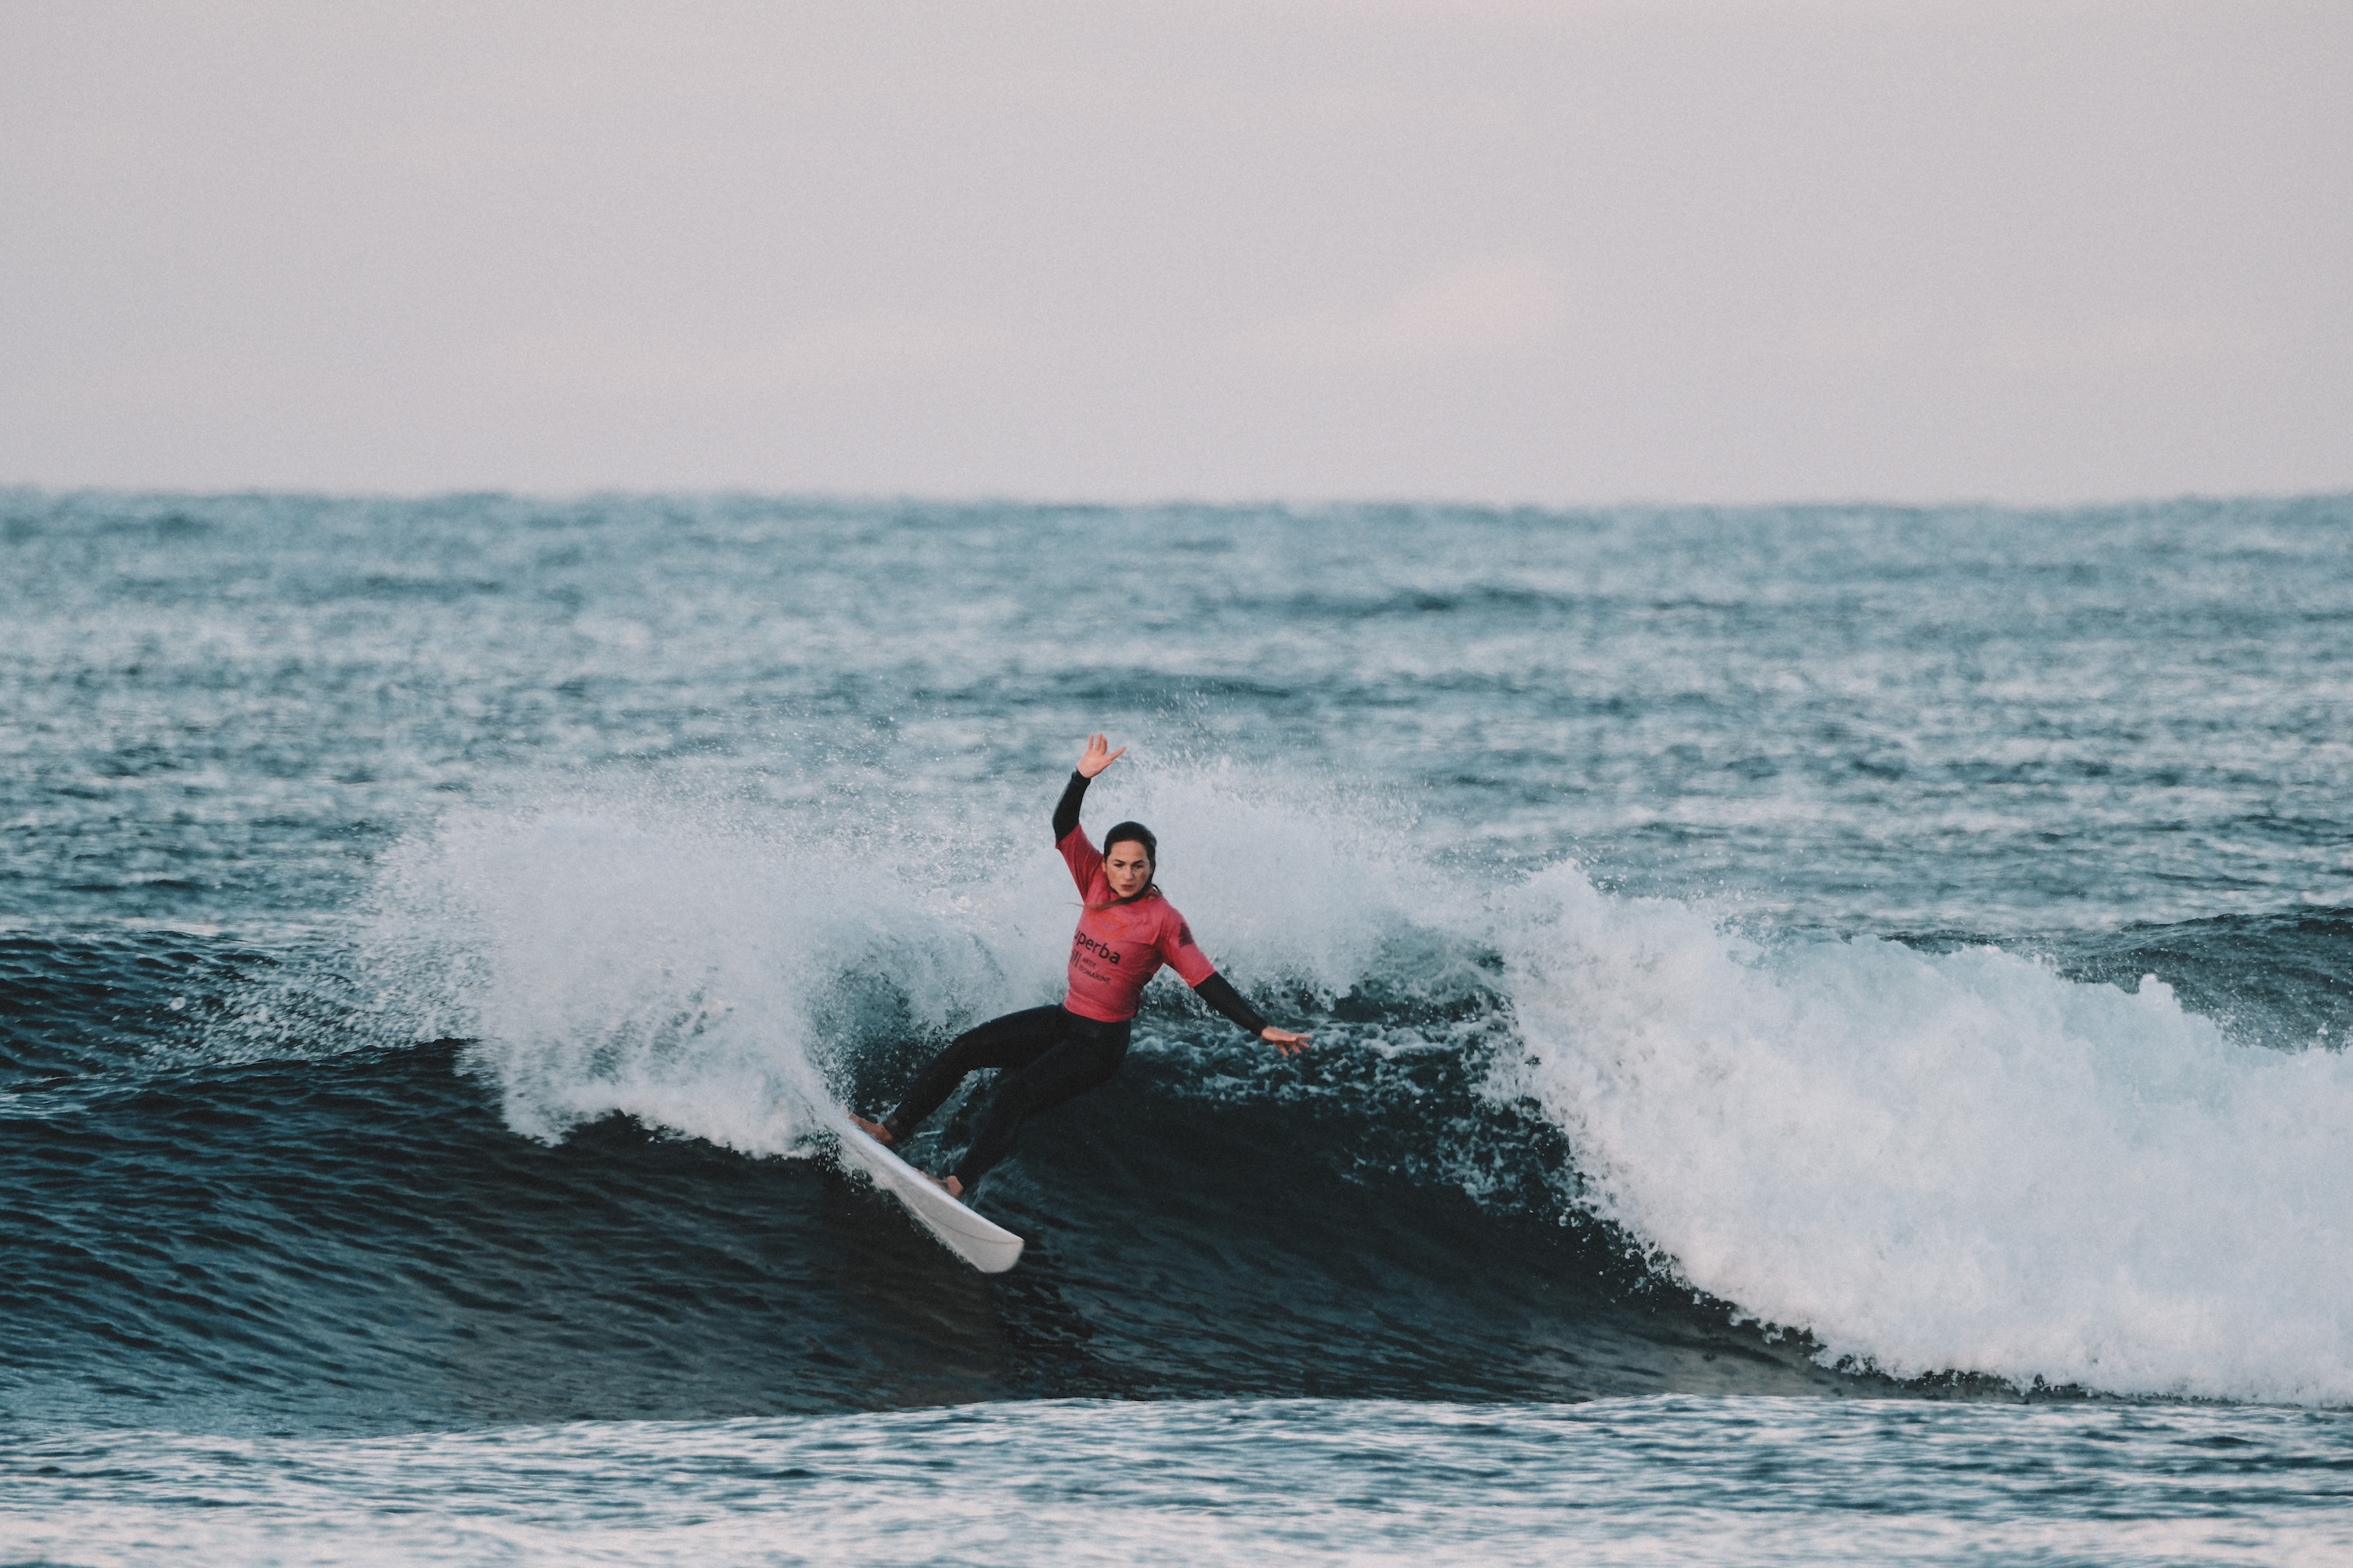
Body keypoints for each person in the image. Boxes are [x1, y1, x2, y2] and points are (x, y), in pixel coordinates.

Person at [852, 733, 1310, 1199]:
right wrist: (1081, 778)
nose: (1128, 874)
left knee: (1015, 1094)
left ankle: (956, 1184)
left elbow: (1205, 980)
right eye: (1119, 863)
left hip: (1098, 1046)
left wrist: (1261, 1028)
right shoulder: (1091, 875)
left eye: (1139, 865)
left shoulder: (1163, 921)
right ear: (1106, 863)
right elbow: (1063, 824)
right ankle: (890, 1131)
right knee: (964, 1049)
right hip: (1064, 1018)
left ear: (1152, 866)